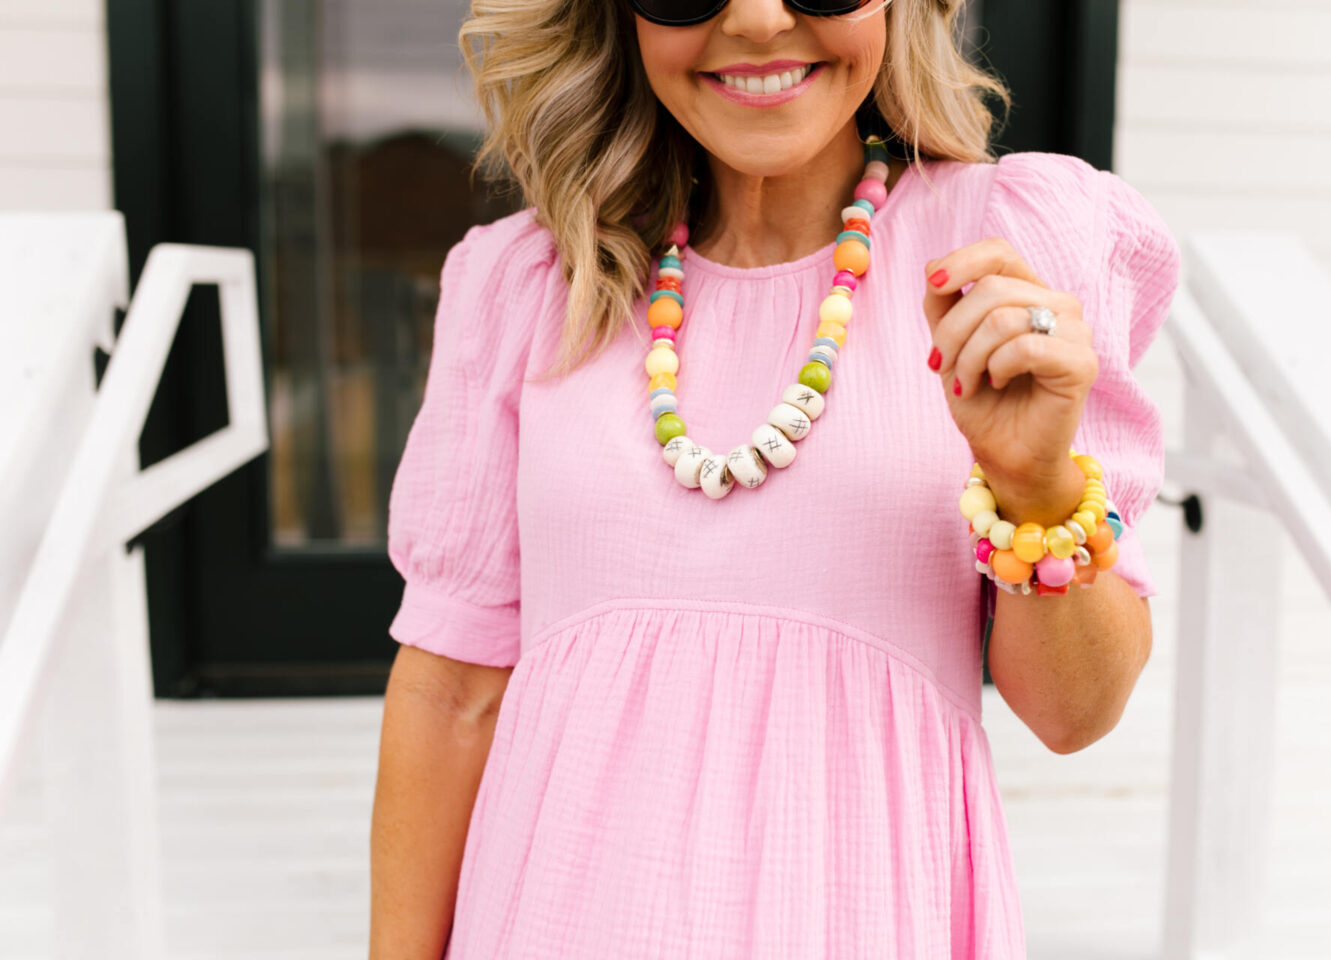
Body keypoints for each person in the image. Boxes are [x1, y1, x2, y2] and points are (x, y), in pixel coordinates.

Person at [370, 0, 1180, 956]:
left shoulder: (1005, 254)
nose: (757, 19)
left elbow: (1075, 713)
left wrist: (1036, 483)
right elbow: (449, 696)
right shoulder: (530, 283)